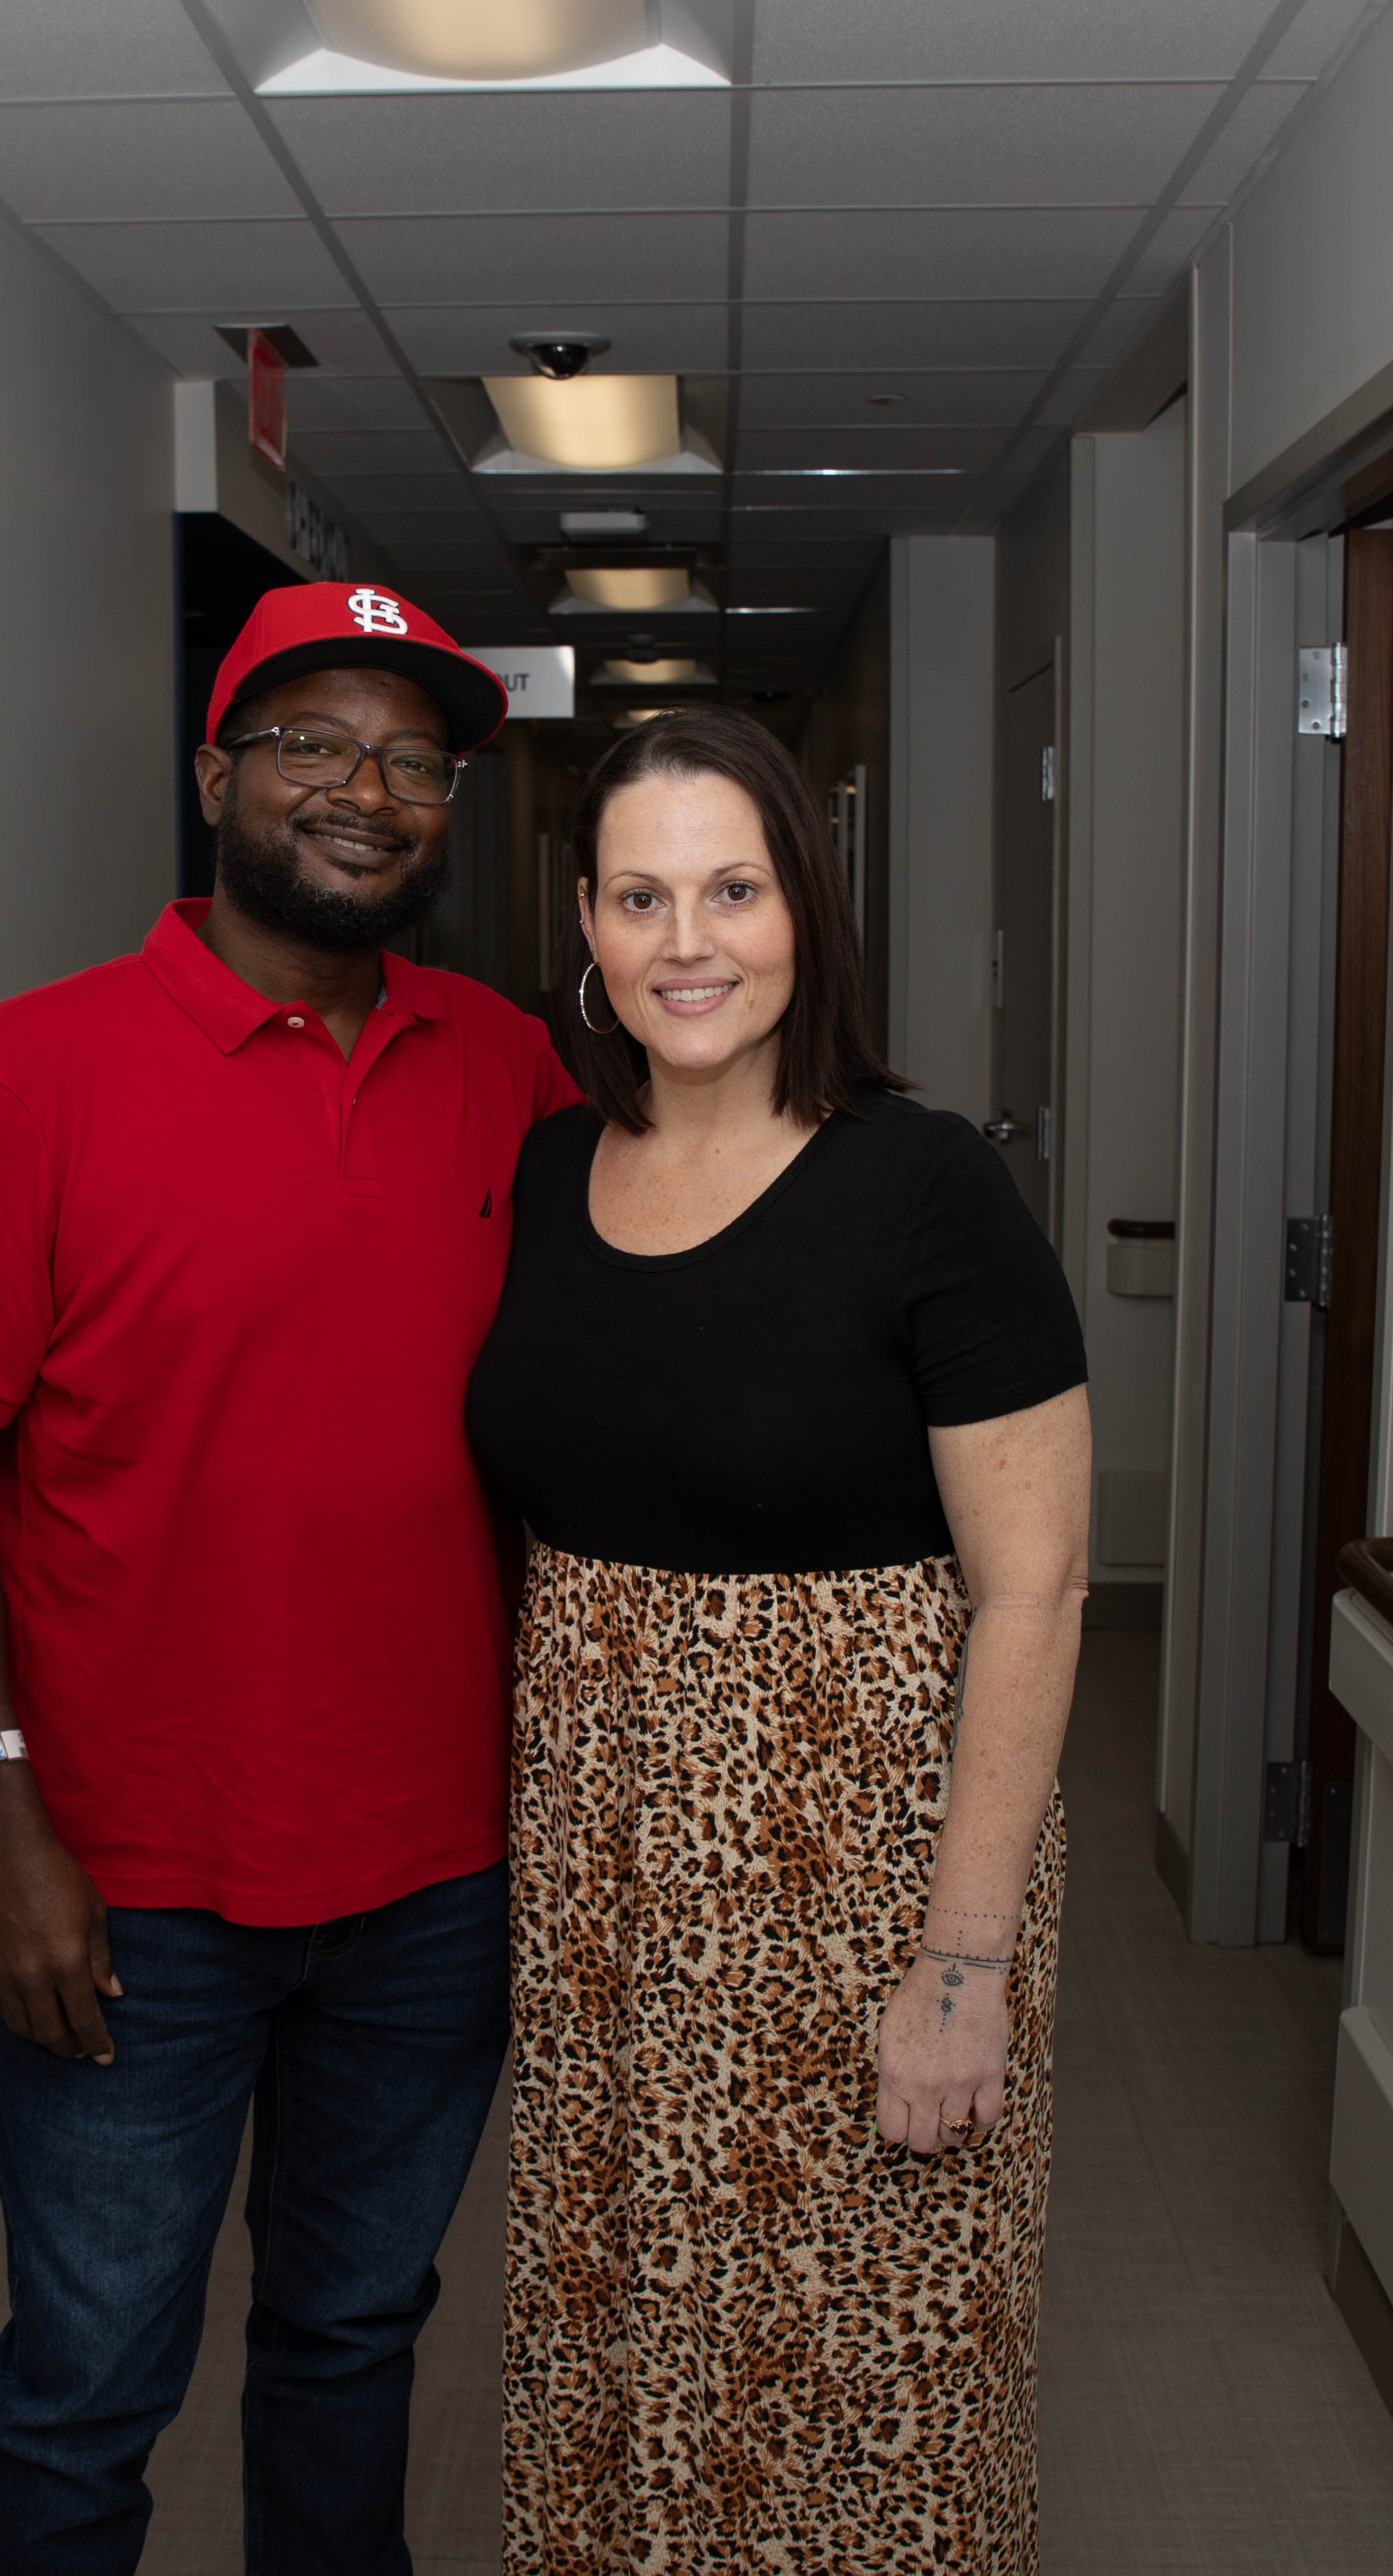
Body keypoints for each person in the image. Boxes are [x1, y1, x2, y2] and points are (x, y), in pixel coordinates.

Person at [0, 581, 583, 2574]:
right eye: (313, 746)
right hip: (128, 1886)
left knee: (352, 2339)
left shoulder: (506, 1069)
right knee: (92, 2382)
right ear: (213, 778)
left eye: (414, 760)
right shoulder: (34, 1074)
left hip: (437, 1871)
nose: (367, 791)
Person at [463, 707, 1094, 2572]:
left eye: (733, 888)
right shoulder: (549, 1184)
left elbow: (1037, 1592)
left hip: (868, 1901)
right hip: (613, 1915)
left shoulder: (925, 1189)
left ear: (805, 910)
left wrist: (964, 1968)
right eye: (642, 896)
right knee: (626, 2349)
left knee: (865, 2392)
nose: (689, 943)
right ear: (583, 923)